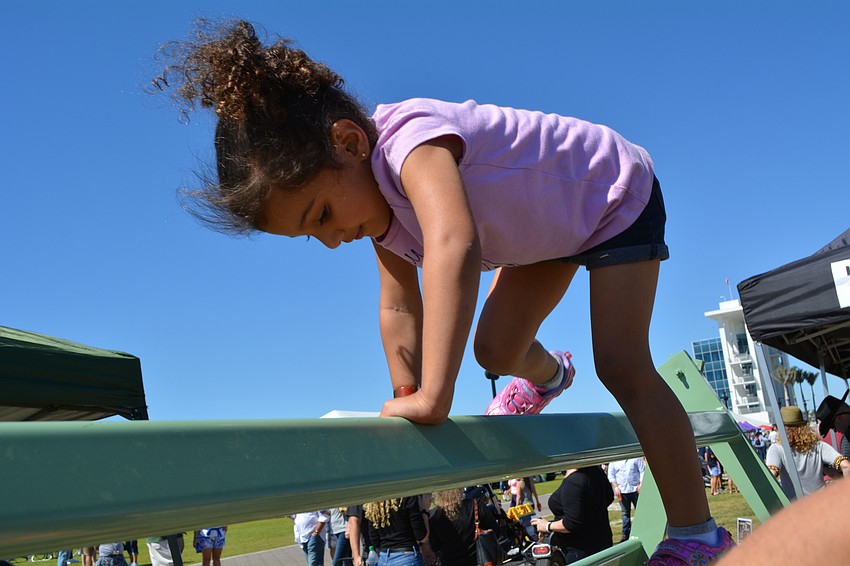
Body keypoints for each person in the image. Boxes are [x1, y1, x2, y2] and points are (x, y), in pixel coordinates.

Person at [157, 19, 733, 563]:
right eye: (313, 234)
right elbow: (397, 304)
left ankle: (697, 535)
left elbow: (456, 243)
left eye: (323, 213)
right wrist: (407, 391)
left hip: (609, 193)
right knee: (495, 349)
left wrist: (435, 394)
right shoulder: (382, 222)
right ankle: (553, 375)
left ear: (351, 143)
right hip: (548, 235)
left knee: (621, 362)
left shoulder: (409, 142)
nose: (333, 240)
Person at [714, 470, 850, 566]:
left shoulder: (778, 448)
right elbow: (845, 465)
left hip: (795, 512)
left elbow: (771, 473)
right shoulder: (819, 446)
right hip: (825, 507)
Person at [531, 466, 614, 564]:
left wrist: (547, 526)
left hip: (580, 550)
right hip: (602, 542)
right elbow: (608, 497)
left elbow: (571, 523)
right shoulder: (595, 470)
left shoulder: (573, 482)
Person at [766, 405, 850, 498]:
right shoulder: (818, 446)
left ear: (781, 428)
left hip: (797, 507)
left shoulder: (776, 449)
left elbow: (771, 476)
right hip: (823, 504)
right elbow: (846, 466)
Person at [428, 488, 500, 566]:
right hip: (480, 560)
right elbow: (496, 532)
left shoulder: (434, 517)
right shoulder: (476, 505)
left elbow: (435, 547)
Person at [365, 497, 433, 566]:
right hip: (408, 557)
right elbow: (422, 537)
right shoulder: (407, 497)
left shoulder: (374, 503)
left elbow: (374, 540)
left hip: (384, 559)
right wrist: (425, 512)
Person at [607, 457, 644, 541]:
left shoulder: (635, 458)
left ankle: (641, 532)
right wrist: (616, 487)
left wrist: (641, 484)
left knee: (639, 512)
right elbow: (611, 475)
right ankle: (625, 534)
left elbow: (642, 471)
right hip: (622, 491)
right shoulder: (614, 461)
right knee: (625, 513)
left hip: (635, 489)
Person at [815, 389, 850, 458]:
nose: (835, 430)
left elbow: (847, 467)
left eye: (833, 427)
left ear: (840, 418)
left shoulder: (848, 438)